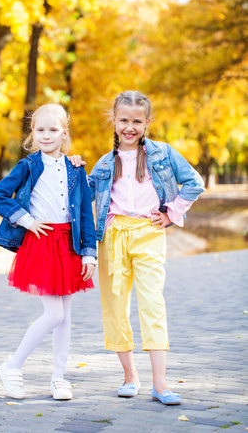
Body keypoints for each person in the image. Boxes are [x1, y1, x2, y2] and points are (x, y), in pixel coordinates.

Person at [71, 90, 204, 405]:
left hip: (148, 233)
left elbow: (194, 182)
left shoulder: (163, 154)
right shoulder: (106, 163)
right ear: (114, 121)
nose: (129, 127)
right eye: (123, 120)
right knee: (115, 308)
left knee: (152, 305)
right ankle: (130, 376)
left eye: (136, 121)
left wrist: (171, 213)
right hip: (112, 238)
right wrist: (74, 167)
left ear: (147, 122)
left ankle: (161, 384)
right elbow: (81, 194)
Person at [0, 104, 97, 401]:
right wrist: (26, 219)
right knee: (54, 313)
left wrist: (89, 253)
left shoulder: (75, 167)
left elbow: (85, 213)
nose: (46, 135)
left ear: (64, 133)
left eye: (53, 130)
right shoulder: (27, 166)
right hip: (42, 242)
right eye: (40, 130)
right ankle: (12, 366)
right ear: (32, 135)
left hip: (69, 245)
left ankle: (59, 378)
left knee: (65, 316)